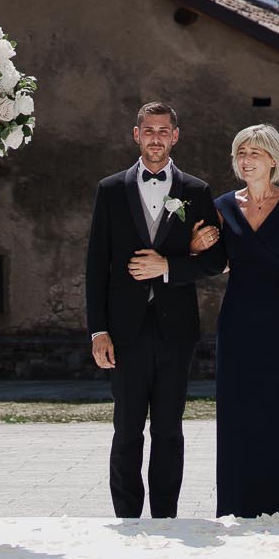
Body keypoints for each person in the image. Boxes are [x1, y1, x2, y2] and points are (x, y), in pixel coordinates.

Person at [85, 102, 227, 519]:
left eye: (163, 131)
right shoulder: (110, 190)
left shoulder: (197, 192)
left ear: (175, 136)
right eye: (148, 130)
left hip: (176, 330)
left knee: (168, 429)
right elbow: (96, 265)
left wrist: (169, 266)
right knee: (127, 428)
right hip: (123, 331)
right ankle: (127, 517)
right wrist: (98, 331)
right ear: (136, 135)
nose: (156, 138)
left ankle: (166, 517)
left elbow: (216, 261)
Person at [196, 124, 279, 519]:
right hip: (239, 321)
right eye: (241, 152)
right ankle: (240, 503)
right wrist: (194, 247)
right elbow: (217, 265)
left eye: (255, 152)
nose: (246, 159)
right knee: (240, 410)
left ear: (274, 159)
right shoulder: (222, 207)